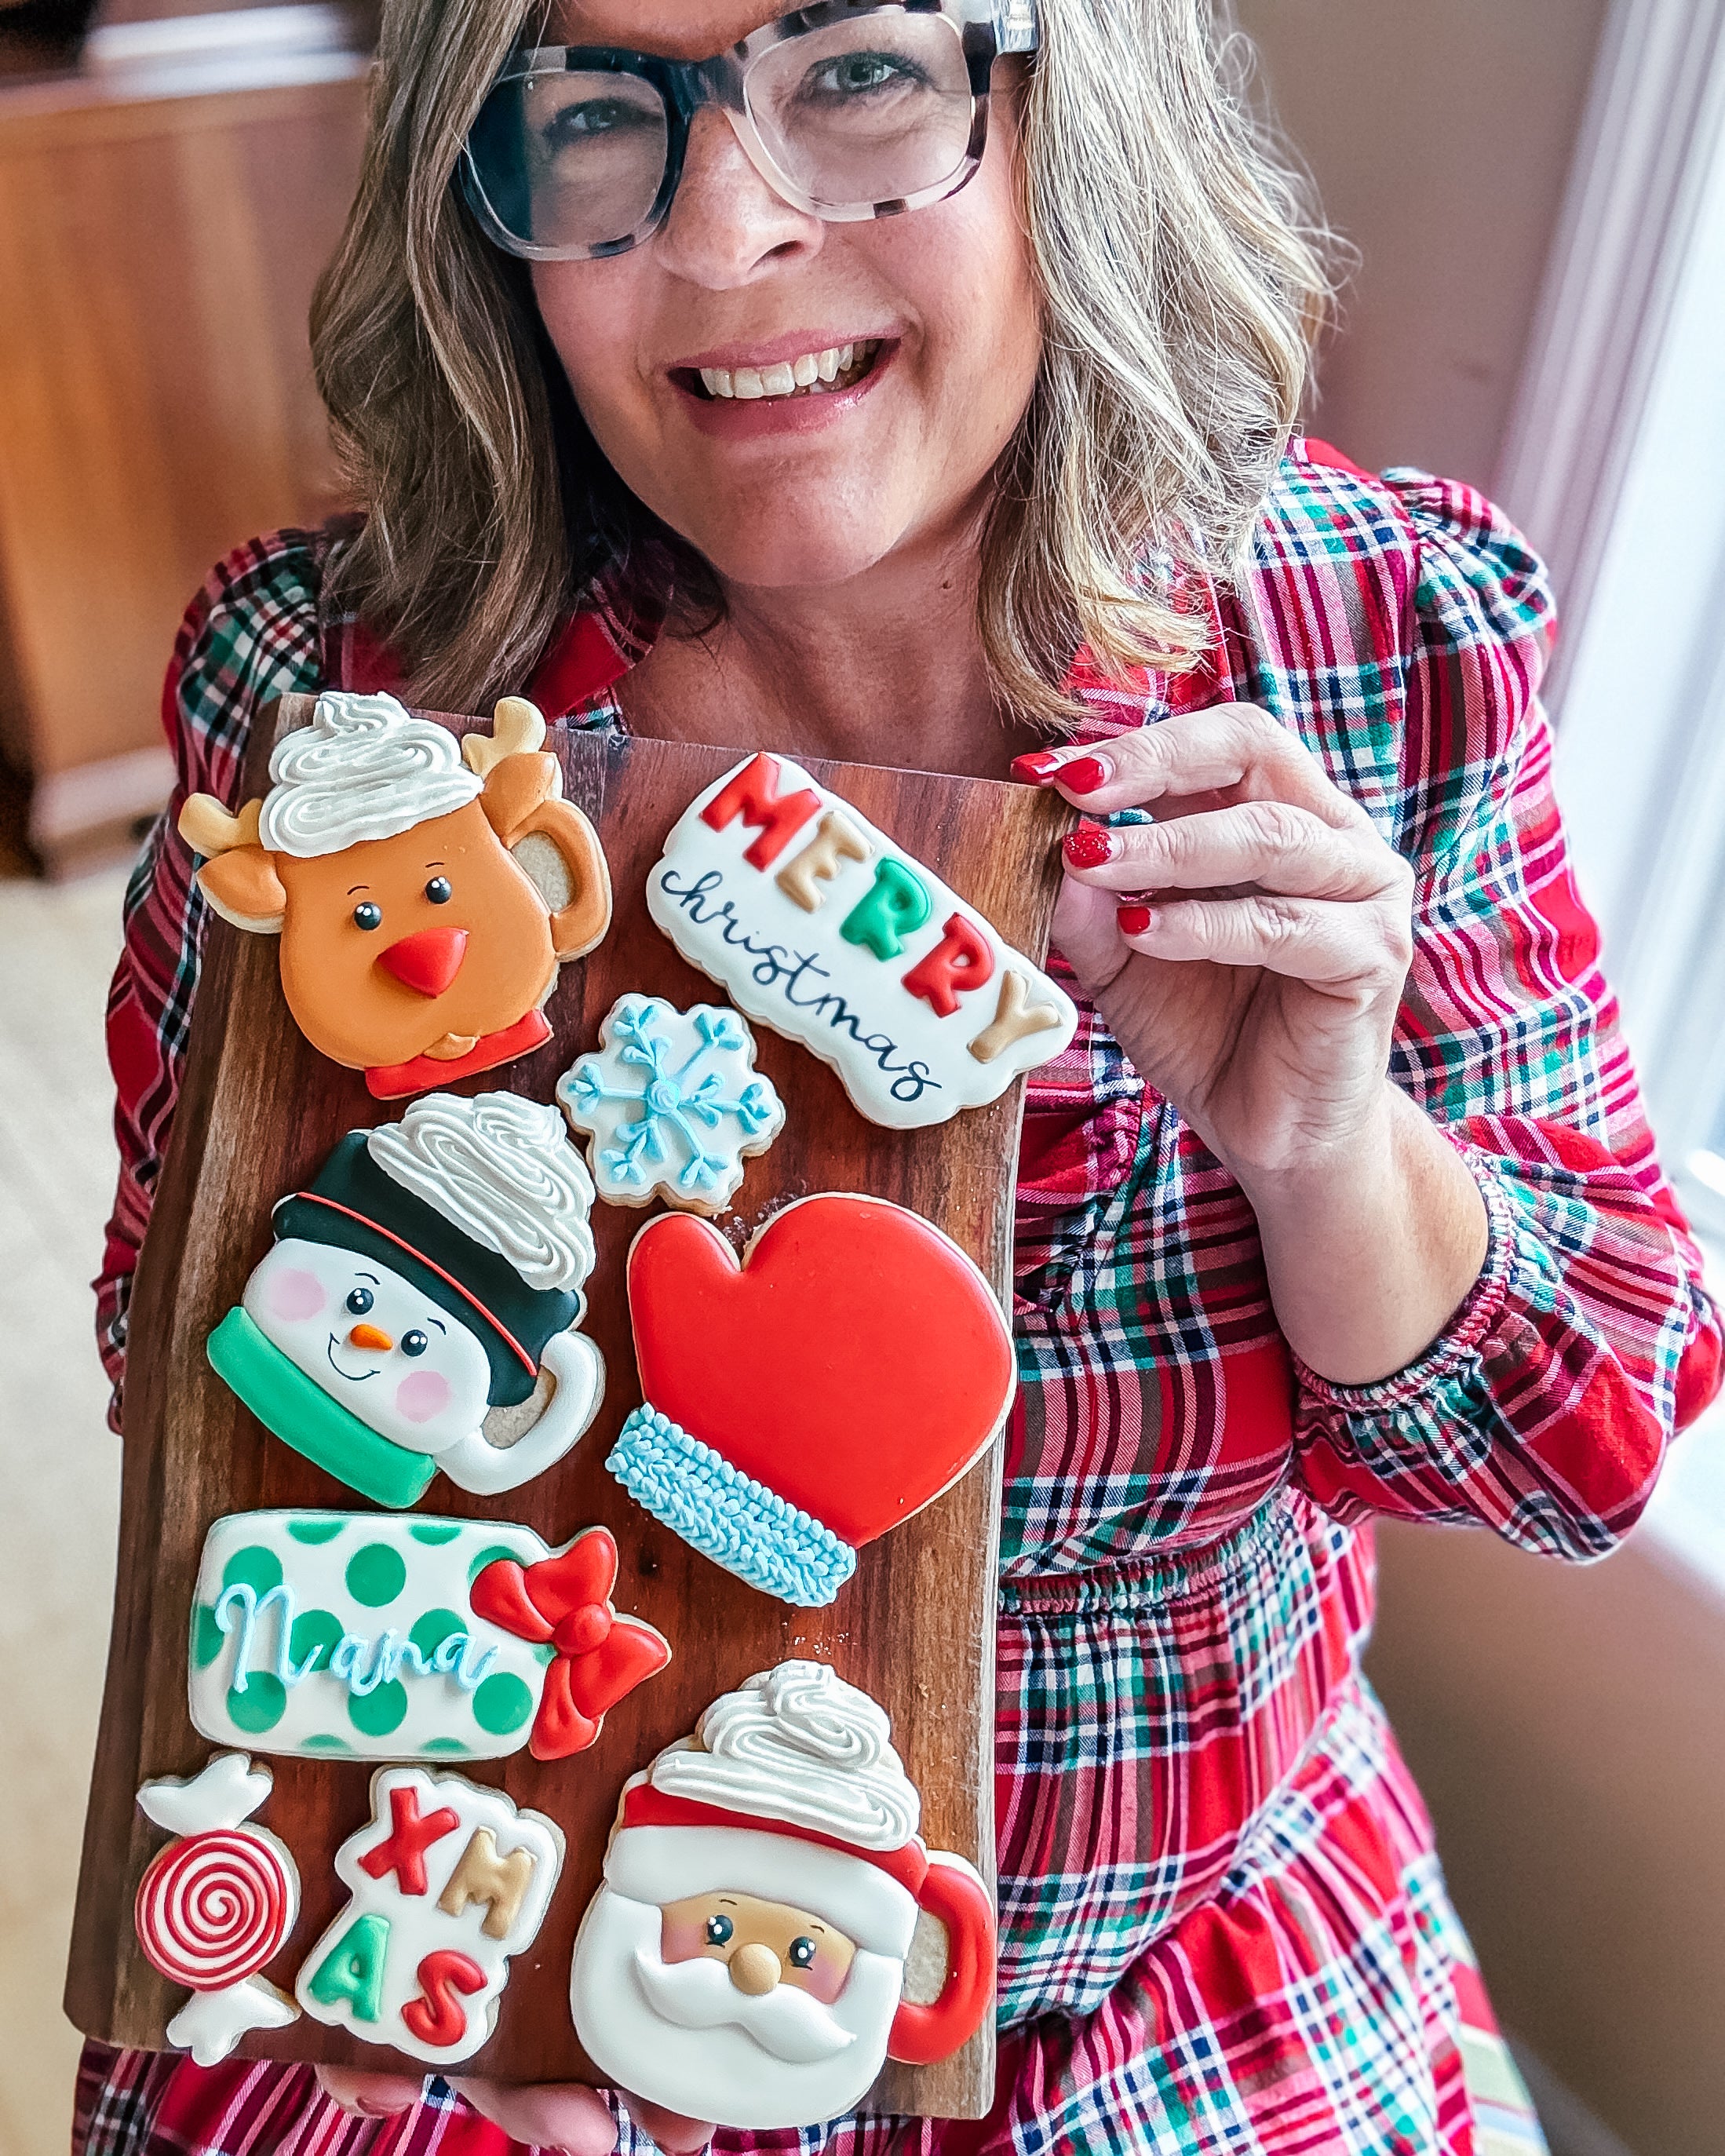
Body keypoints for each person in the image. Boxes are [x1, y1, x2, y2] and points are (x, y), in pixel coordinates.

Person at [82, 0, 1723, 2150]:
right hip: (491, 1952)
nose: (731, 231)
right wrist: (380, 1876)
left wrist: (1326, 1142)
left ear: (1074, 96)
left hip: (1146, 1996)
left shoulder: (1373, 631)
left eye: (856, 71)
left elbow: (1579, 1441)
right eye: (593, 114)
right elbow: (193, 1363)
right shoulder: (355, 716)